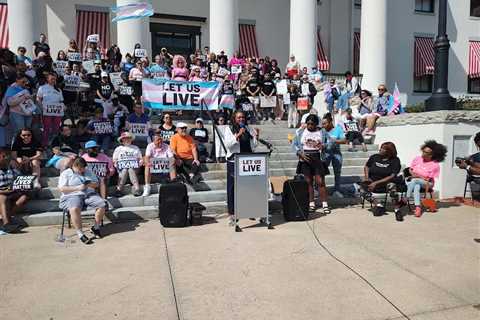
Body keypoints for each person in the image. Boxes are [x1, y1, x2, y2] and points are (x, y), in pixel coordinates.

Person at [58, 157, 106, 244]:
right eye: (79, 169)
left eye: (83, 168)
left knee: (102, 204)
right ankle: (80, 233)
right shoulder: (66, 173)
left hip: (89, 194)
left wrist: (89, 184)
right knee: (74, 209)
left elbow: (97, 184)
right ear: (74, 166)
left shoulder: (88, 171)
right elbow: (62, 189)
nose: (81, 171)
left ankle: (95, 227)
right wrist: (77, 188)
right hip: (73, 195)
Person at [223, 110, 259, 225]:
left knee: (248, 186)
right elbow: (228, 145)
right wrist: (238, 135)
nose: (241, 119)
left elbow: (253, 147)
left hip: (247, 161)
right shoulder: (229, 129)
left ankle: (248, 210)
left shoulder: (248, 128)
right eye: (239, 117)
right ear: (234, 118)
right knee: (232, 188)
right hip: (234, 161)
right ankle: (232, 213)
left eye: (242, 117)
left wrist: (256, 137)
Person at [357, 142, 404, 221]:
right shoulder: (374, 157)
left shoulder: (395, 160)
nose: (380, 149)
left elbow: (392, 176)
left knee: (392, 186)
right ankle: (379, 205)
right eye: (381, 147)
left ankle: (397, 209)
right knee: (362, 189)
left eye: (383, 149)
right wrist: (367, 178)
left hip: (387, 182)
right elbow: (367, 166)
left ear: (389, 151)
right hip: (373, 180)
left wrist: (376, 183)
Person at [293, 114, 330, 213]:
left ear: (316, 124)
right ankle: (311, 203)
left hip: (318, 158)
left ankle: (324, 203)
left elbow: (330, 142)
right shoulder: (301, 132)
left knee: (320, 181)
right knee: (308, 182)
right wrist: (300, 153)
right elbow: (294, 144)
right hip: (305, 158)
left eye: (312, 124)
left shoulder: (322, 132)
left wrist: (324, 145)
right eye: (308, 123)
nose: (310, 126)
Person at [402, 140, 447, 218]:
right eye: (423, 151)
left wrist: (417, 177)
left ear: (432, 155)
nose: (423, 154)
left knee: (415, 181)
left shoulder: (435, 165)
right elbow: (410, 169)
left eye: (427, 153)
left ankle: (406, 197)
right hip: (415, 181)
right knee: (416, 186)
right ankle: (417, 207)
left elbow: (428, 179)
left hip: (427, 183)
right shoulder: (417, 159)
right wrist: (413, 175)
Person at [0, 148, 29, 233]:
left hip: (12, 193)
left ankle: (4, 219)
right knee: (2, 197)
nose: (6, 158)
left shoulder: (12, 169)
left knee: (24, 197)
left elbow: (20, 179)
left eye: (7, 156)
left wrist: (27, 184)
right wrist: (6, 191)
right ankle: (6, 224)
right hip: (2, 194)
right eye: (3, 156)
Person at [142, 129, 177, 196]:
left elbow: (171, 157)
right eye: (158, 140)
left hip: (165, 167)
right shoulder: (150, 146)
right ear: (153, 141)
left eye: (161, 139)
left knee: (172, 163)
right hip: (154, 167)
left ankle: (174, 184)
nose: (160, 141)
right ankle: (147, 186)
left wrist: (172, 160)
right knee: (147, 165)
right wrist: (147, 162)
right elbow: (147, 157)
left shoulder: (166, 146)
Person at [321, 113, 347, 197]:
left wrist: (335, 140)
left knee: (337, 173)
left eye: (325, 123)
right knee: (322, 172)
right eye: (322, 123)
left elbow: (344, 140)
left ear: (330, 122)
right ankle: (321, 189)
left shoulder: (338, 129)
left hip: (336, 154)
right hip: (326, 153)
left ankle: (337, 190)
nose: (323, 125)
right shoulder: (322, 131)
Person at [112, 132, 143, 197]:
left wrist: (140, 163)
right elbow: (114, 159)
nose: (127, 140)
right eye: (125, 138)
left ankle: (137, 189)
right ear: (122, 140)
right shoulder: (118, 148)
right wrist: (116, 165)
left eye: (128, 138)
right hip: (122, 167)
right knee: (125, 170)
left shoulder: (135, 147)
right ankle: (118, 189)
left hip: (134, 167)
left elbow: (140, 158)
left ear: (131, 139)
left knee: (131, 169)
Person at [37, 73, 64, 146]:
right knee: (46, 129)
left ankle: (54, 144)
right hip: (46, 112)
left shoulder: (58, 89)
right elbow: (38, 99)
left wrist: (64, 106)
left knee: (56, 129)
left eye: (54, 79)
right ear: (47, 79)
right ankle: (44, 144)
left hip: (57, 112)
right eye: (51, 79)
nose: (53, 80)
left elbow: (61, 101)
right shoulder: (42, 88)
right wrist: (41, 107)